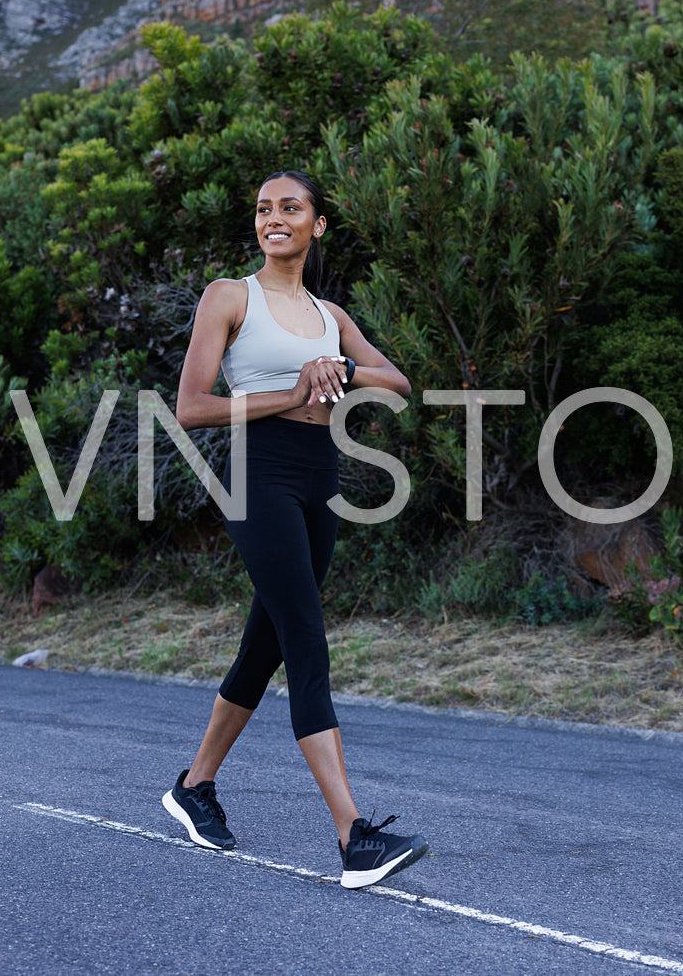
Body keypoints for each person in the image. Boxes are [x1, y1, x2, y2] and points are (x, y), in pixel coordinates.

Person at [161, 170, 427, 890]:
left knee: (268, 643)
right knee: (306, 643)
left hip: (319, 477)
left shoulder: (329, 314)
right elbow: (190, 407)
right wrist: (293, 391)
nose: (273, 218)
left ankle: (194, 787)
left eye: (290, 208)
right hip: (260, 476)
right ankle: (352, 837)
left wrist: (338, 365)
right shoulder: (229, 297)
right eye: (262, 209)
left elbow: (397, 381)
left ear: (317, 226)